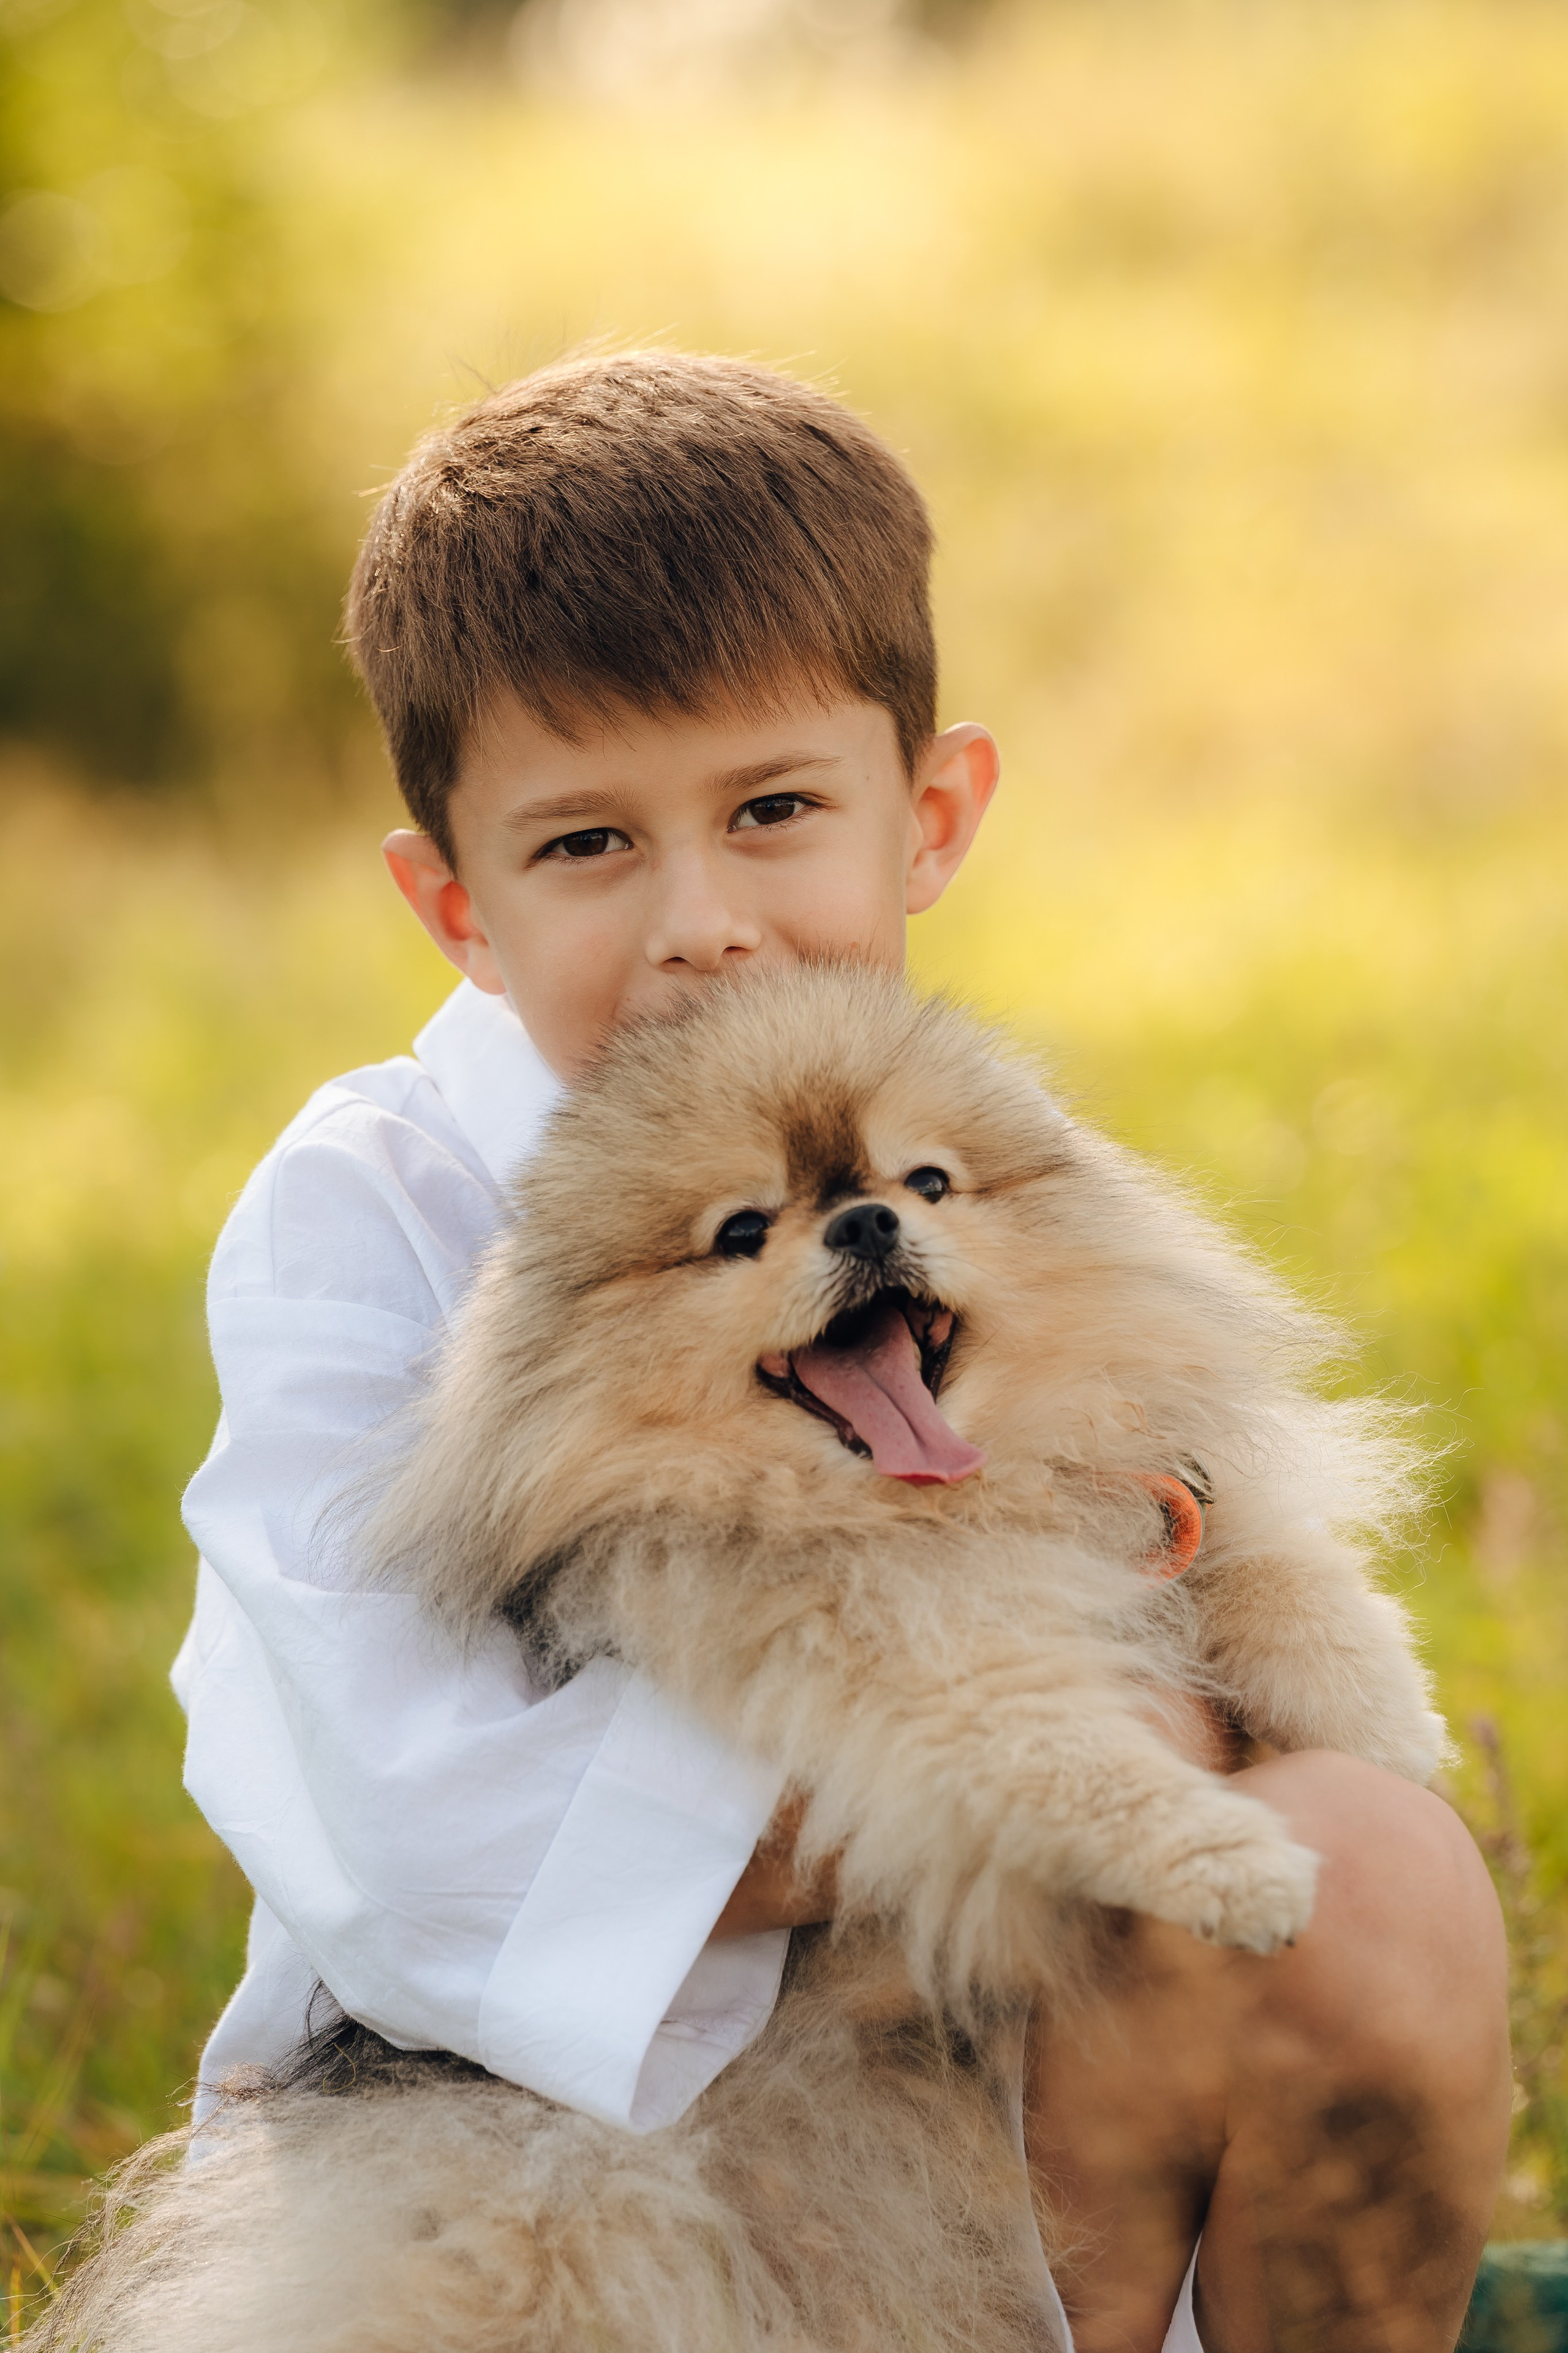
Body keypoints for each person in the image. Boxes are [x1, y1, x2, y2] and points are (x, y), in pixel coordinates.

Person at [174, 349, 1511, 2352]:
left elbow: (1203, 1525)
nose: (704, 920)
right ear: (453, 901)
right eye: (587, 845)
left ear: (932, 811)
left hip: (1026, 2082)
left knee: (1383, 1872)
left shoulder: (966, 1140)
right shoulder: (370, 1208)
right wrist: (1020, 1761)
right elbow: (400, 1825)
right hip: (555, 2133)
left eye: (776, 807)